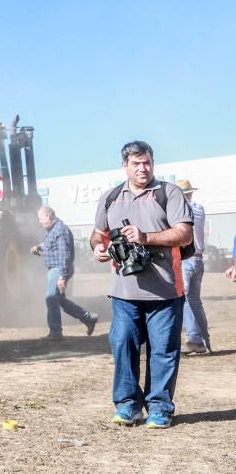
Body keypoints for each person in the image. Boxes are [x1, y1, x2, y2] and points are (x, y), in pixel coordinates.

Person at [91, 141, 193, 429]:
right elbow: (97, 235)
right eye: (136, 164)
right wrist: (98, 248)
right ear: (125, 166)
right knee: (123, 345)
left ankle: (159, 408)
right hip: (124, 292)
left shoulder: (168, 193)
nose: (142, 168)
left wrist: (145, 237)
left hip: (165, 291)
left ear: (152, 163)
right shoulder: (111, 197)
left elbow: (184, 234)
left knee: (162, 351)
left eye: (147, 162)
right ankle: (127, 406)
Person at [31, 206, 98, 339]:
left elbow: (64, 256)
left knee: (51, 299)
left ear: (49, 216)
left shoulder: (61, 231)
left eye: (41, 219)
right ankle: (88, 318)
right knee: (59, 300)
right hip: (55, 270)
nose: (40, 222)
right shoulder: (53, 230)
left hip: (58, 269)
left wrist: (62, 276)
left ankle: (55, 332)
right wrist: (39, 246)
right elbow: (50, 244)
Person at [176, 179, 210, 354]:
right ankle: (204, 340)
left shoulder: (182, 210)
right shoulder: (199, 208)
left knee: (186, 300)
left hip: (187, 259)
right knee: (195, 302)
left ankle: (195, 339)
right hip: (198, 259)